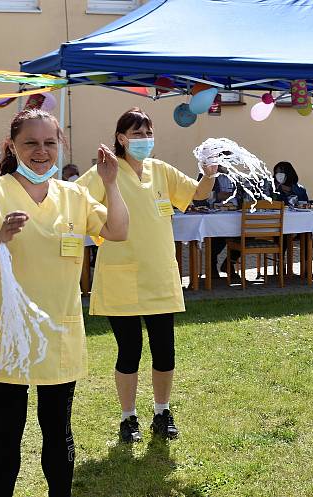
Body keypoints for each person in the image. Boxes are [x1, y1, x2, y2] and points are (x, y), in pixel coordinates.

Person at [0, 109, 128, 496]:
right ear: (13, 146)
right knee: (8, 429)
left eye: (49, 142)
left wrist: (111, 184)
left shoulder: (74, 196)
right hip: (7, 332)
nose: (41, 151)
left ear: (60, 146)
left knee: (57, 428)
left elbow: (118, 230)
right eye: (30, 143)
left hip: (58, 330)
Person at [76, 107, 214, 443]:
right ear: (121, 139)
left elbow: (197, 193)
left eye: (148, 133)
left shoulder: (161, 171)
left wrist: (209, 174)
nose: (144, 140)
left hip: (158, 274)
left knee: (165, 349)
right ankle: (128, 417)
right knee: (130, 350)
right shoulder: (105, 171)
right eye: (137, 134)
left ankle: (162, 411)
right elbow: (73, 199)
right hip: (120, 275)